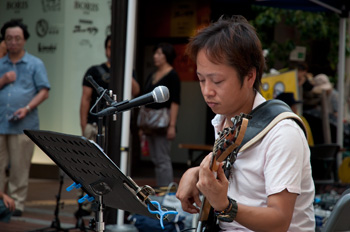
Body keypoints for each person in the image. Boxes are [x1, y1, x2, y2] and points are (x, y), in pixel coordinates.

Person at [176, 15, 315, 231]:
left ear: (250, 76)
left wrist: (225, 206)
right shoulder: (223, 120)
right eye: (202, 79)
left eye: (218, 81)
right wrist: (194, 173)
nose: (207, 91)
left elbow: (279, 220)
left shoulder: (282, 133)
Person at [0, 20, 50, 217]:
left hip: (23, 124)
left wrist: (27, 108)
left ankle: (17, 205)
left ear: (25, 40)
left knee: (20, 167)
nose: (13, 42)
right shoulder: (1, 63)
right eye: (9, 38)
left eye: (17, 38)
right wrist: (3, 80)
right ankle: (1, 202)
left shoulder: (35, 63)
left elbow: (44, 91)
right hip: (0, 122)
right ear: (4, 40)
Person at [80, 35, 140, 142]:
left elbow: (136, 91)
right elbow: (85, 99)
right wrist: (84, 125)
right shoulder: (94, 71)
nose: (112, 51)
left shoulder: (127, 70)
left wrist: (122, 67)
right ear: (105, 49)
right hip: (95, 124)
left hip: (119, 126)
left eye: (115, 48)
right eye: (109, 47)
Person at [139, 42, 181, 187]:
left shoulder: (172, 75)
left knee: (163, 158)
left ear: (167, 56)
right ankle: (161, 188)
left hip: (162, 122)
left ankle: (166, 190)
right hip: (149, 122)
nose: (155, 56)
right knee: (156, 158)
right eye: (155, 53)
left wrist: (172, 125)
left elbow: (175, 102)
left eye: (159, 53)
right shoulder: (152, 75)